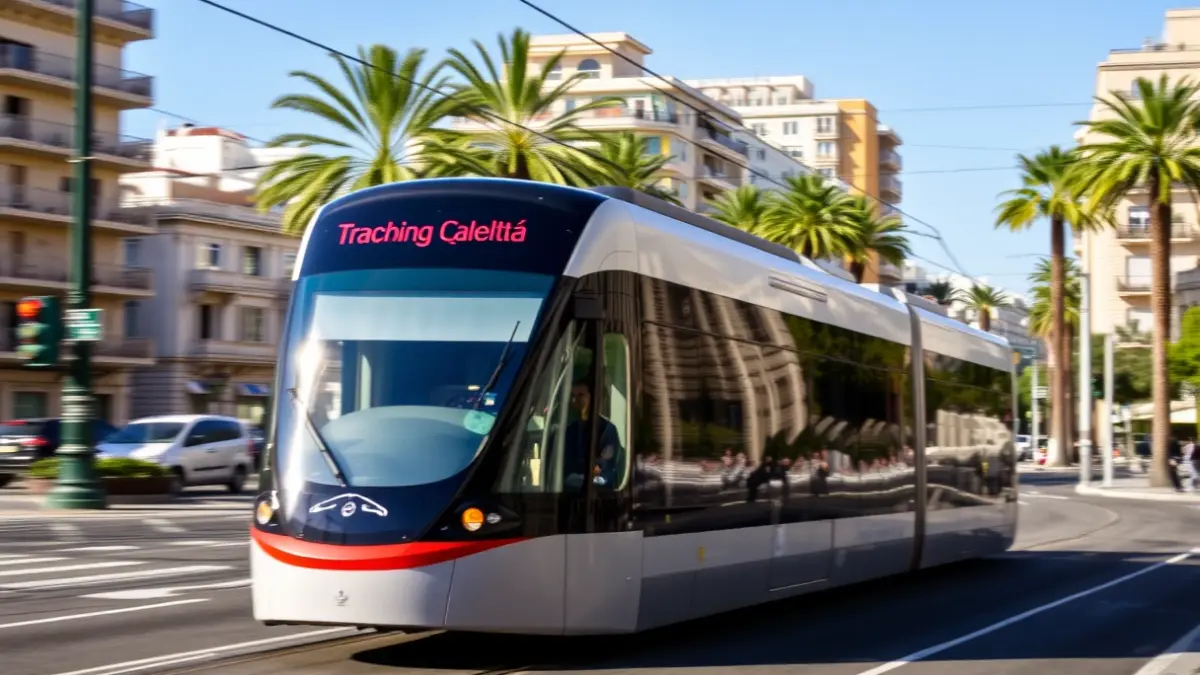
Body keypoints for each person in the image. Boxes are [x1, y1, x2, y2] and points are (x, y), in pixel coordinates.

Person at [563, 381, 622, 489]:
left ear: (592, 398)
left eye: (580, 395)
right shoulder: (569, 430)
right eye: (573, 396)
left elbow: (605, 468)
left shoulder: (607, 429)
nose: (574, 400)